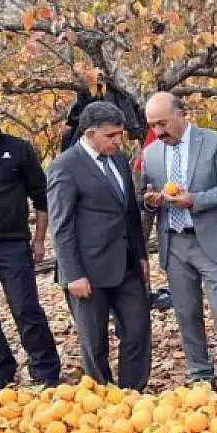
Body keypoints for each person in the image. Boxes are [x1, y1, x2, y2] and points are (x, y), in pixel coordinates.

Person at [140, 92, 217, 390]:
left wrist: (196, 200)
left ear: (182, 114)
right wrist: (151, 202)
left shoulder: (213, 142)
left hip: (212, 240)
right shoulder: (150, 153)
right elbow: (145, 197)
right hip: (174, 244)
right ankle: (201, 376)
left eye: (163, 123)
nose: (158, 131)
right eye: (153, 125)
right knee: (186, 312)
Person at [47, 101, 151, 391]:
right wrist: (72, 274)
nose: (119, 140)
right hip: (87, 272)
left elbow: (130, 211)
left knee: (138, 331)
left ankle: (133, 393)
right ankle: (103, 398)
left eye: (120, 134)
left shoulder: (118, 160)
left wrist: (141, 255)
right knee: (94, 342)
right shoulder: (64, 167)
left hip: (126, 263)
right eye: (111, 135)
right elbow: (61, 225)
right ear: (90, 133)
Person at [0, 109, 61, 390]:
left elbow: (40, 196)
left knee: (24, 307)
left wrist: (40, 239)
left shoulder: (18, 150)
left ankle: (45, 370)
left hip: (12, 243)